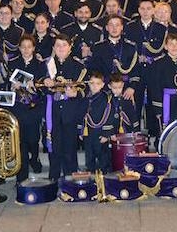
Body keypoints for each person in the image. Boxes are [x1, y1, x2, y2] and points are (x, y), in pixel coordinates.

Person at [41, 34, 88, 180]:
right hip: (52, 111)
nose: (61, 48)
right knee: (54, 146)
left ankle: (70, 177)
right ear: (54, 48)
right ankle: (53, 177)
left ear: (70, 48)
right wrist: (44, 82)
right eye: (58, 45)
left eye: (64, 45)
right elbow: (37, 86)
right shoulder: (46, 65)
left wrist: (75, 93)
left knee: (70, 145)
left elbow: (85, 88)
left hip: (70, 111)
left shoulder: (78, 66)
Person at [87, 15, 140, 129]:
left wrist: (132, 87)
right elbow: (94, 70)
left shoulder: (130, 47)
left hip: (125, 90)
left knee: (125, 120)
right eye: (111, 25)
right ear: (106, 28)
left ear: (122, 27)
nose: (114, 28)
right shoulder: (98, 47)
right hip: (105, 89)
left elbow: (136, 71)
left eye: (117, 25)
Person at [7, 35, 47, 180]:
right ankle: (21, 175)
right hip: (17, 108)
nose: (26, 49)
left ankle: (34, 158)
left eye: (29, 47)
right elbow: (6, 83)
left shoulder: (40, 64)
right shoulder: (12, 63)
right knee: (20, 140)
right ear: (19, 48)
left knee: (33, 139)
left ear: (33, 48)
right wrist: (12, 86)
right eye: (23, 47)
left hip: (33, 108)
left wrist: (35, 86)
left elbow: (44, 86)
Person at [146, 33, 177, 136]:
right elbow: (154, 86)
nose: (174, 47)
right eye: (171, 44)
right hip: (166, 101)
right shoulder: (158, 63)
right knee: (165, 131)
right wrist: (157, 106)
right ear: (165, 47)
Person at [82, 72, 115, 173]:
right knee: (89, 157)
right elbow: (82, 115)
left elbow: (109, 116)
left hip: (101, 133)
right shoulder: (86, 98)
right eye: (92, 83)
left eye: (98, 83)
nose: (94, 86)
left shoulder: (107, 99)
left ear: (103, 85)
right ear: (88, 84)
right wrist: (81, 129)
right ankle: (91, 175)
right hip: (88, 132)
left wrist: (106, 134)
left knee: (103, 159)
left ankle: (104, 179)